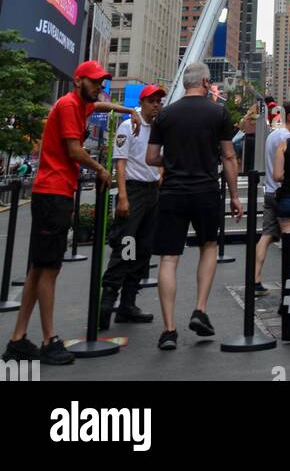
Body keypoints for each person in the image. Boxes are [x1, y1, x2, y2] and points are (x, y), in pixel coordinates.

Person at [2, 61, 142, 366]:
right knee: (49, 269)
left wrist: (128, 110)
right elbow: (74, 150)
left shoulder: (83, 105)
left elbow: (102, 103)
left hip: (56, 193)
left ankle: (18, 338)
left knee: (38, 269)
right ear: (78, 81)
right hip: (53, 194)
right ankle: (49, 339)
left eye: (101, 82)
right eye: (93, 82)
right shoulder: (68, 106)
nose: (98, 87)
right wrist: (101, 169)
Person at [145, 62, 242, 351]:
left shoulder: (165, 115)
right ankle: (200, 309)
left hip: (172, 191)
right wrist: (235, 195)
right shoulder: (218, 112)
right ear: (204, 81)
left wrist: (173, 161)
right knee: (208, 246)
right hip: (205, 191)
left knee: (169, 259)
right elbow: (228, 156)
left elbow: (151, 158)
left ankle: (169, 330)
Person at [99, 84, 166, 329]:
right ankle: (107, 304)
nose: (157, 104)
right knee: (125, 246)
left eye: (159, 100)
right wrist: (124, 197)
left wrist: (161, 173)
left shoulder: (160, 127)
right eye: (152, 100)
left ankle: (128, 304)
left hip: (152, 192)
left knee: (144, 249)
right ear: (143, 102)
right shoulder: (129, 126)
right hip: (134, 191)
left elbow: (161, 157)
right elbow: (121, 164)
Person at [255, 100, 290, 294]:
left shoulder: (272, 136)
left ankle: (255, 279)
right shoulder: (288, 138)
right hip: (284, 193)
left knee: (266, 236)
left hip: (270, 192)